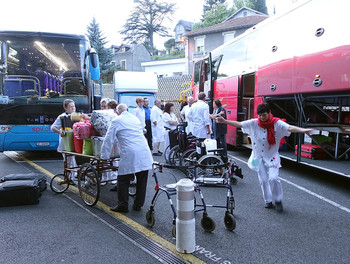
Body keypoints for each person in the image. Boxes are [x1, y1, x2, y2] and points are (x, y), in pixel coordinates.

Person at [216, 102, 313, 212]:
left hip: (272, 156)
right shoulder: (254, 123)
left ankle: (278, 199)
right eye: (260, 115)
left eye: (264, 115)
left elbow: (290, 128)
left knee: (274, 178)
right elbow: (240, 124)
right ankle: (268, 200)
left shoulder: (277, 123)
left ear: (269, 113)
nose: (262, 117)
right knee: (263, 180)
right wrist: (224, 121)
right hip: (257, 157)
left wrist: (304, 130)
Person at [100, 103, 153, 213]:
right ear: (127, 109)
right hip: (144, 150)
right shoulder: (135, 119)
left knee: (123, 179)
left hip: (130, 152)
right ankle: (138, 204)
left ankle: (123, 205)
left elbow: (108, 139)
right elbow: (142, 131)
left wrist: (104, 157)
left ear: (117, 112)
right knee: (142, 178)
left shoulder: (116, 120)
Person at [51, 99, 88, 184]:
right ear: (66, 108)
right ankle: (69, 178)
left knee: (78, 159)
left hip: (76, 142)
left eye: (74, 106)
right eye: (70, 107)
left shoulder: (76, 115)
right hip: (66, 143)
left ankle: (78, 174)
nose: (73, 108)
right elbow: (53, 127)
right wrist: (60, 132)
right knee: (69, 161)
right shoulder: (62, 117)